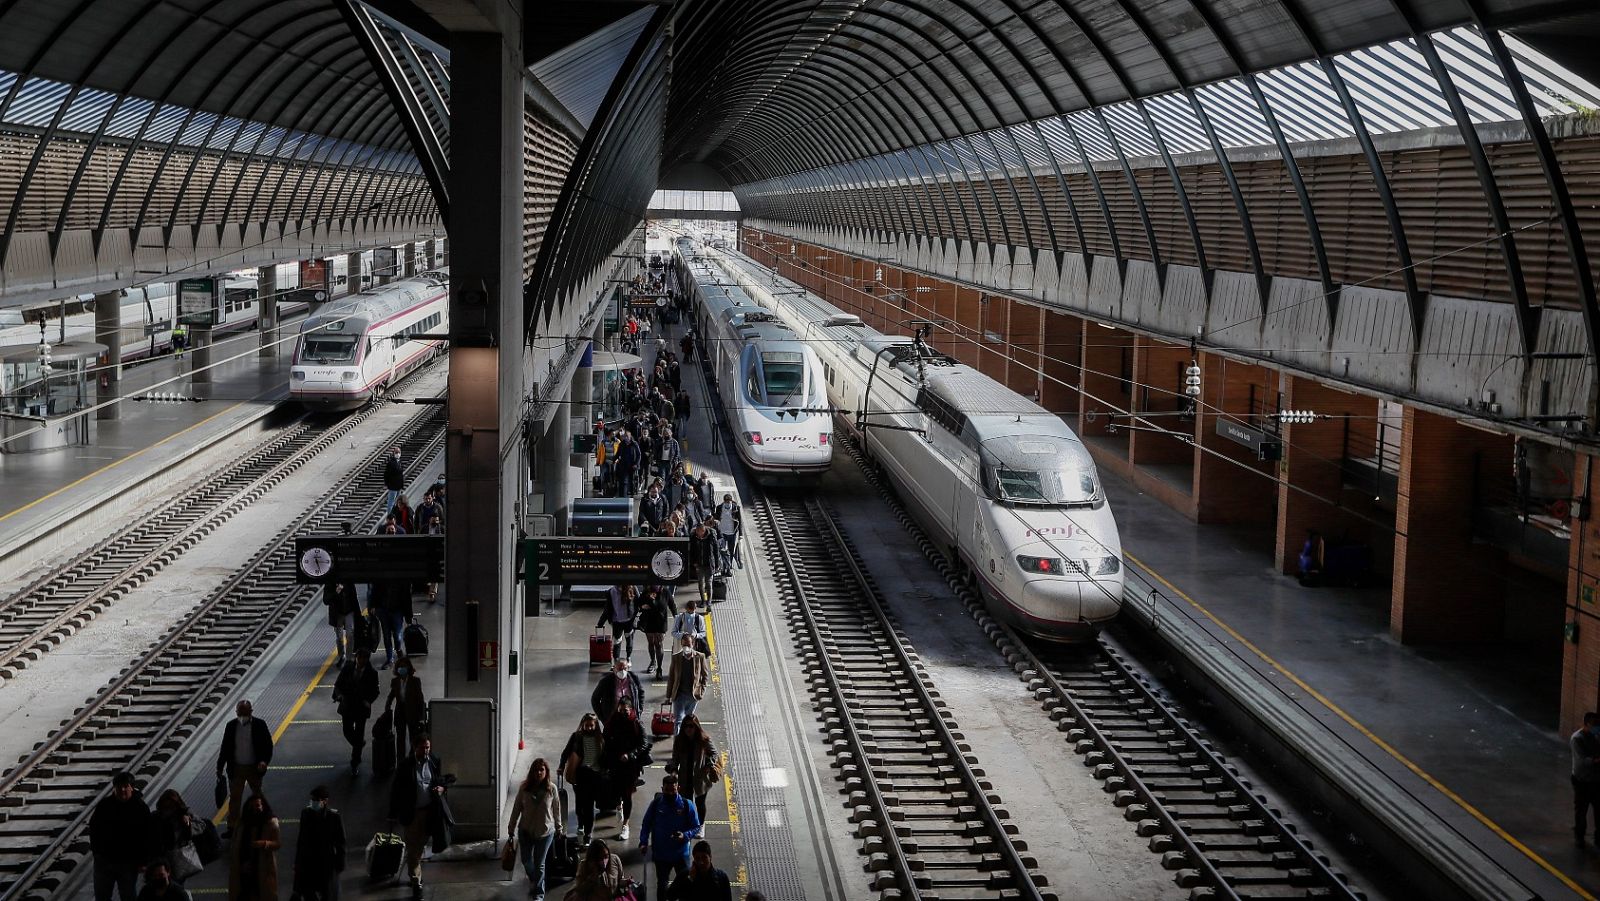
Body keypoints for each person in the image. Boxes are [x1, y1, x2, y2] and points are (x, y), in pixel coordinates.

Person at [387, 737, 453, 900]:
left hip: (430, 811)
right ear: (415, 747)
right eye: (423, 748)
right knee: (414, 850)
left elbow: (441, 779)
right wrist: (392, 814)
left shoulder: (434, 761)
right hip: (414, 814)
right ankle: (416, 882)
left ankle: (416, 874)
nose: (426, 751)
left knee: (425, 843)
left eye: (428, 747)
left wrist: (441, 788)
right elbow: (396, 791)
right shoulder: (405, 766)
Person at [90, 771, 154, 901]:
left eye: (126, 786)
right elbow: (94, 828)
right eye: (119, 787)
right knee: (102, 896)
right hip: (104, 860)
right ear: (114, 788)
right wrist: (96, 852)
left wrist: (144, 861)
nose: (122, 790)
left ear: (132, 787)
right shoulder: (104, 805)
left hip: (129, 862)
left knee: (128, 895)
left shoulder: (140, 808)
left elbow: (147, 836)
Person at [639, 775, 702, 898]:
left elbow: (696, 827)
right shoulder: (656, 804)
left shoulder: (686, 805)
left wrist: (685, 835)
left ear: (678, 788)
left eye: (673, 790)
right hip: (661, 855)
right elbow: (646, 823)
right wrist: (643, 842)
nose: (670, 793)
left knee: (685, 885)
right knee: (662, 885)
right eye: (667, 790)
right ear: (662, 789)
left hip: (681, 855)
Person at [507, 759, 560, 901]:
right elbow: (517, 808)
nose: (539, 773)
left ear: (546, 772)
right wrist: (511, 826)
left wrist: (559, 827)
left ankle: (539, 892)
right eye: (536, 770)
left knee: (540, 864)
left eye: (542, 770)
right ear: (532, 772)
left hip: (545, 832)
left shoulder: (551, 789)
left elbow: (556, 809)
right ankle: (534, 878)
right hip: (526, 831)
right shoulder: (524, 788)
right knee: (526, 860)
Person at [217, 700, 273, 833]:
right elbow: (225, 748)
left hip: (254, 768)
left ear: (251, 712)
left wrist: (264, 761)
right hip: (236, 768)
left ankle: (264, 820)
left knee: (258, 796)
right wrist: (219, 767)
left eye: (244, 713)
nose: (242, 716)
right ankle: (232, 827)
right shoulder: (231, 726)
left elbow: (268, 745)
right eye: (239, 713)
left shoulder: (260, 724)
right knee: (235, 799)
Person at [600, 702, 648, 842]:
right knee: (615, 789)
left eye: (625, 711)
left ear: (631, 710)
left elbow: (643, 743)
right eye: (620, 711)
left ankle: (625, 824)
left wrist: (630, 755)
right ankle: (618, 804)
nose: (622, 714)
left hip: (630, 766)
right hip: (615, 764)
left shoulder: (636, 723)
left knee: (627, 794)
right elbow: (605, 740)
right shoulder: (611, 723)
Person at [560, 714, 606, 846]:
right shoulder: (577, 737)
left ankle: (588, 833)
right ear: (583, 724)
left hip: (595, 776)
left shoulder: (600, 738)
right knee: (580, 805)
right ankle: (580, 825)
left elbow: (605, 756)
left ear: (596, 725)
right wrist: (561, 766)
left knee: (589, 806)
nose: (590, 728)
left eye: (592, 725)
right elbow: (566, 752)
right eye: (587, 725)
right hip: (580, 774)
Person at [292, 786, 345, 901]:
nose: (313, 802)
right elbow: (301, 839)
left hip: (326, 863)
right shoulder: (305, 813)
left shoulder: (334, 817)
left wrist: (340, 864)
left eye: (316, 800)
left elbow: (340, 842)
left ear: (325, 801)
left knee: (328, 894)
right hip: (309, 862)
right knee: (309, 894)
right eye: (312, 799)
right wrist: (297, 862)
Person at [333, 648, 381, 775]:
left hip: (361, 708)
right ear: (356, 657)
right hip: (347, 704)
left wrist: (368, 701)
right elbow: (338, 684)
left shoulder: (372, 673)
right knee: (347, 730)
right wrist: (339, 695)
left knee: (359, 733)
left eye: (363, 659)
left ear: (367, 659)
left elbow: (376, 691)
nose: (360, 661)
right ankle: (359, 744)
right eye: (359, 658)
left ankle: (355, 762)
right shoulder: (348, 668)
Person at [228, 794, 280, 901]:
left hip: (262, 867)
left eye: (257, 805)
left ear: (263, 806)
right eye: (251, 806)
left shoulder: (270, 823)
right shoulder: (242, 823)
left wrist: (264, 843)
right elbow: (234, 842)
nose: (255, 809)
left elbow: (277, 844)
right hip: (243, 866)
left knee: (262, 892)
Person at [669, 716, 720, 820]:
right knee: (687, 802)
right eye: (686, 726)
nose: (688, 729)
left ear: (696, 727)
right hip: (685, 776)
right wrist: (674, 770)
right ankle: (690, 822)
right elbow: (675, 757)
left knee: (700, 803)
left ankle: (701, 825)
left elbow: (714, 754)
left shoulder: (703, 739)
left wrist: (709, 765)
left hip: (700, 777)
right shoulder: (679, 740)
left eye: (691, 726)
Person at [151, 790, 200, 884]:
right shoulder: (155, 816)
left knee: (174, 883)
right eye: (166, 806)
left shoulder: (184, 813)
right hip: (163, 857)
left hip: (178, 856)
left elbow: (201, 825)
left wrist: (188, 823)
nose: (169, 809)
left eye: (172, 806)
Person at [385, 656, 427, 762]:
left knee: (413, 738)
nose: (402, 669)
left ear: (408, 668)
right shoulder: (395, 681)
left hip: (412, 712)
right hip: (400, 712)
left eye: (404, 666)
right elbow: (391, 695)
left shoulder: (415, 681)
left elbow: (420, 700)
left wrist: (421, 717)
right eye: (400, 667)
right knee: (400, 739)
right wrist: (387, 706)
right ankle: (401, 762)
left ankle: (413, 760)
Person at [666, 636, 710, 734]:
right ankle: (678, 744)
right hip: (679, 695)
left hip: (693, 696)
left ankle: (686, 741)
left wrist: (701, 691)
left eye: (688, 644)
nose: (686, 647)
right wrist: (668, 696)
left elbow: (705, 676)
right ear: (681, 644)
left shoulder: (700, 657)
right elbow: (671, 678)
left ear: (693, 644)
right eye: (684, 644)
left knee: (688, 720)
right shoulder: (676, 657)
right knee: (678, 720)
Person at [667, 841, 733, 901]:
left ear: (710, 857)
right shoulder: (685, 875)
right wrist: (690, 879)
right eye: (697, 858)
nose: (701, 862)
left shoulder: (721, 877)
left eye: (704, 857)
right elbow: (671, 896)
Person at [590, 656, 644, 726]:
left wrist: (639, 710)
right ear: (614, 669)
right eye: (620, 669)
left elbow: (641, 693)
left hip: (631, 718)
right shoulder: (606, 681)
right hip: (612, 721)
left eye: (625, 668)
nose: (622, 671)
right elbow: (595, 699)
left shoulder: (634, 678)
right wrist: (603, 718)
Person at [1574, 712, 1600, 845]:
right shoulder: (1577, 738)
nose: (1597, 727)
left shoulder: (1596, 737)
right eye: (1594, 724)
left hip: (1596, 780)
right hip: (1582, 781)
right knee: (1581, 811)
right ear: (1587, 724)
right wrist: (1596, 760)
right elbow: (1582, 761)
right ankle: (1579, 837)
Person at [637, 586, 674, 677]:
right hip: (649, 621)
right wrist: (642, 606)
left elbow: (672, 605)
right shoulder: (647, 591)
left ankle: (659, 668)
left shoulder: (665, 592)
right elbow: (639, 603)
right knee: (651, 643)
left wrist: (676, 617)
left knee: (659, 644)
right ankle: (653, 662)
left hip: (660, 622)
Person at [596, 585, 638, 663]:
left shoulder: (632, 588)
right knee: (617, 641)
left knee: (629, 640)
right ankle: (616, 660)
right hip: (617, 622)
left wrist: (635, 617)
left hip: (629, 621)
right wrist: (601, 622)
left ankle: (628, 658)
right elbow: (608, 608)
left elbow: (638, 603)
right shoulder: (611, 591)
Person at [689, 519, 717, 604]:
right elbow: (692, 551)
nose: (698, 533)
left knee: (708, 583)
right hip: (699, 564)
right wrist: (693, 562)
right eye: (697, 531)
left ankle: (709, 601)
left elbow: (716, 550)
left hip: (709, 563)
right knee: (700, 583)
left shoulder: (711, 536)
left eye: (699, 531)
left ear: (703, 530)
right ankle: (703, 600)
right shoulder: (694, 537)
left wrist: (717, 564)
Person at [714, 495, 741, 574]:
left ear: (731, 501)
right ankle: (723, 568)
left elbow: (740, 521)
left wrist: (741, 534)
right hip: (722, 533)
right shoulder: (719, 508)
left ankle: (729, 567)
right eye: (726, 501)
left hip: (732, 533)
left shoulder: (736, 508)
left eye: (728, 502)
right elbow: (716, 518)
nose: (727, 503)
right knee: (722, 551)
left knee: (731, 551)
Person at [383, 447, 404, 511]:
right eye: (396, 452)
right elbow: (386, 474)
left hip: (399, 486)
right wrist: (388, 484)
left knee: (397, 502)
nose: (398, 454)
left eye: (399, 452)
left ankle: (395, 516)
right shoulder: (391, 463)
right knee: (391, 502)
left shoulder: (399, 462)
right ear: (393, 453)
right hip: (393, 486)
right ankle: (390, 516)